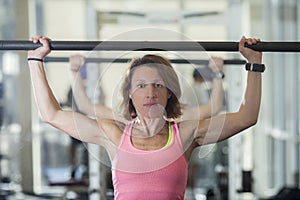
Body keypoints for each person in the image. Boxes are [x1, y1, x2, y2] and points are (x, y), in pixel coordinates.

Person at [28, 36, 263, 200]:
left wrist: (254, 63)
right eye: (141, 85)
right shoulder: (113, 134)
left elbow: (247, 116)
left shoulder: (187, 134)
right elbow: (52, 114)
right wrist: (36, 61)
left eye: (158, 85)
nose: (150, 93)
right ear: (130, 94)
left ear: (169, 91)